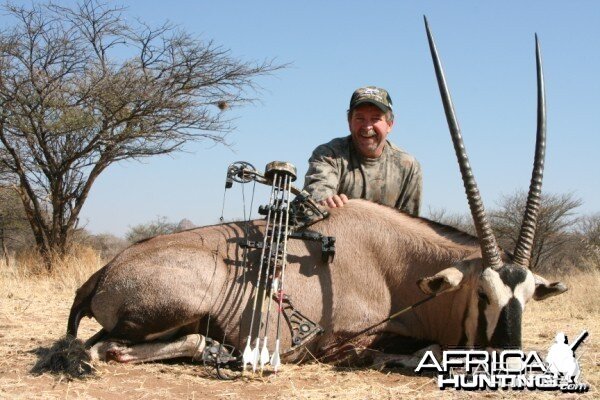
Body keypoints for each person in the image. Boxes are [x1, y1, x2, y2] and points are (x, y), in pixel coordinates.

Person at [303, 86, 422, 215]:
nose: (367, 127)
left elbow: (409, 223)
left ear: (390, 124)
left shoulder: (408, 166)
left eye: (376, 118)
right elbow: (317, 196)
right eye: (360, 118)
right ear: (349, 122)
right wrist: (327, 202)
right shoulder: (328, 154)